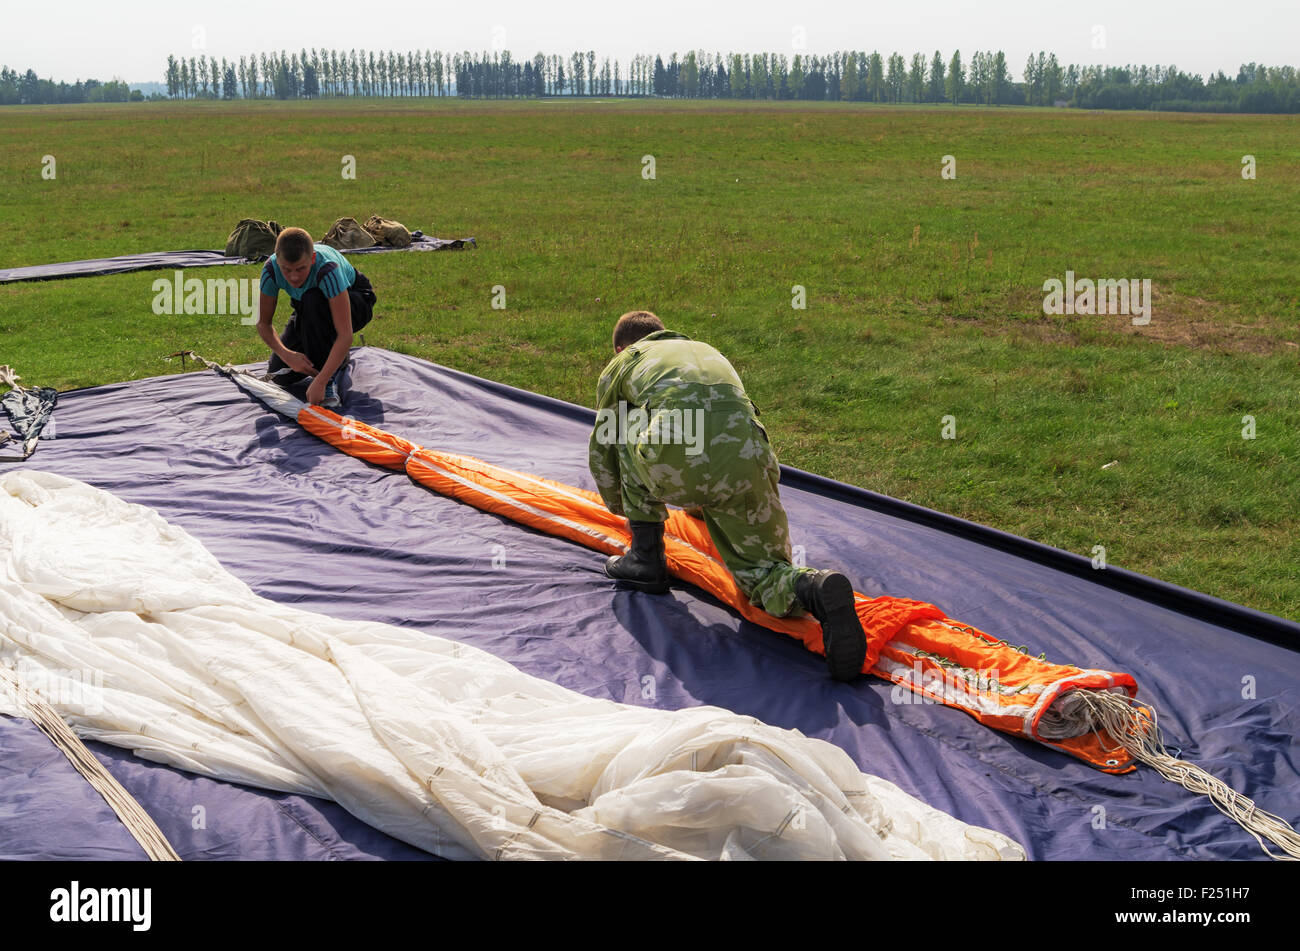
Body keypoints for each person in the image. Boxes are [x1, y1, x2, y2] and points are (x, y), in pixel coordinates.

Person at [588, 311, 868, 681]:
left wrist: (624, 508)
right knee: (761, 574)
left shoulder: (626, 362)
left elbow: (604, 444)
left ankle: (646, 558)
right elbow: (717, 427)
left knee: (623, 424)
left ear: (622, 347)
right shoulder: (705, 351)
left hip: (677, 461)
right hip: (749, 462)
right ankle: (812, 588)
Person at [256, 227, 376, 408]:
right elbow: (263, 324)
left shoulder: (327, 269)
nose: (294, 277)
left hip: (355, 299)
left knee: (313, 299)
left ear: (312, 259)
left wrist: (321, 380)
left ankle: (329, 381)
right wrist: (287, 355)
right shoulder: (271, 271)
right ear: (277, 260)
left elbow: (345, 335)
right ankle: (337, 358)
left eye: (300, 268)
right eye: (286, 270)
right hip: (309, 306)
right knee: (280, 375)